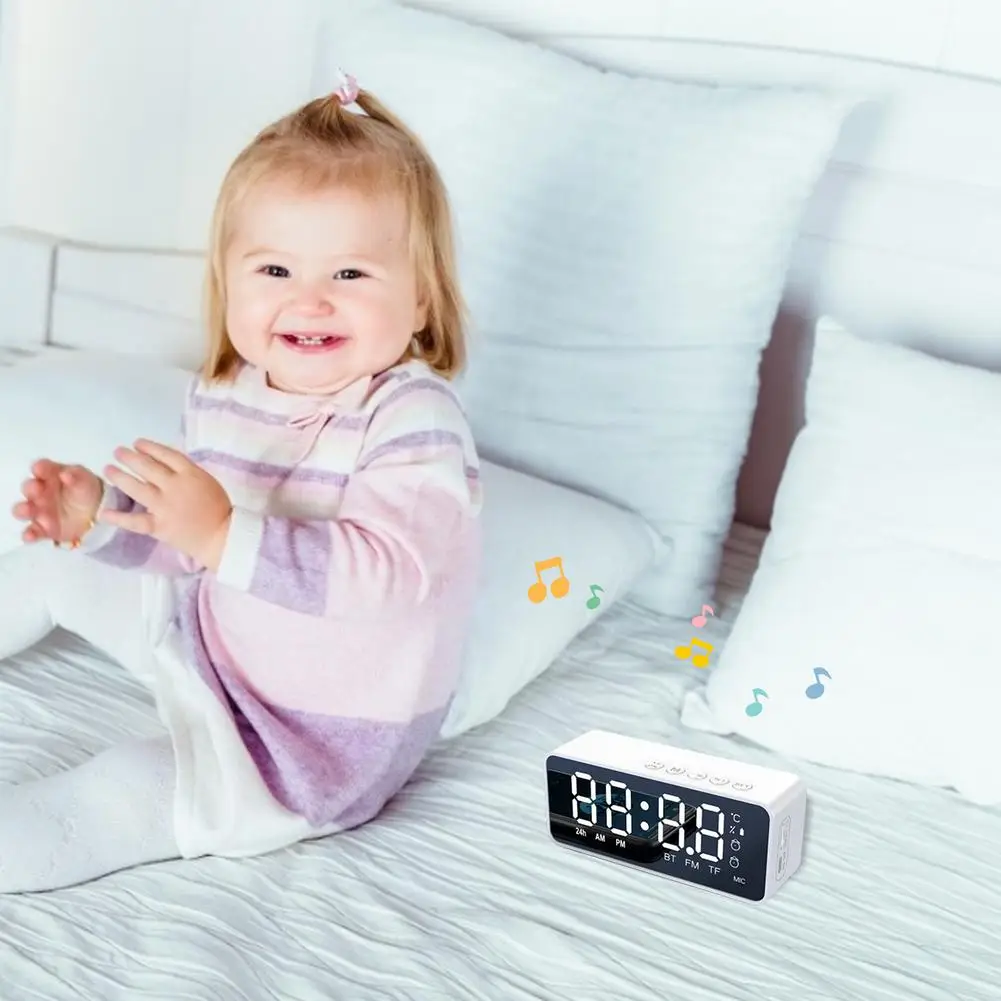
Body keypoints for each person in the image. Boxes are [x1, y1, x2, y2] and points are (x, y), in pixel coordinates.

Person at [0, 72, 482, 893]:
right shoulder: (229, 394)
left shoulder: (413, 419)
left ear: (421, 301)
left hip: (307, 743)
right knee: (51, 562)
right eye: (275, 270)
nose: (310, 301)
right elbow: (188, 545)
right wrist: (105, 519)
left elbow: (389, 577)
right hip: (214, 644)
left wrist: (221, 533)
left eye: (350, 275)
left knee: (117, 794)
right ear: (229, 281)